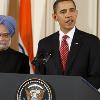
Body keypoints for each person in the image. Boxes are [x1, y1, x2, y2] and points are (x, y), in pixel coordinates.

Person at [32, 0, 100, 89]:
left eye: (71, 10)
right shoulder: (44, 43)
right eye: (63, 12)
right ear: (55, 17)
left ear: (76, 13)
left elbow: (97, 77)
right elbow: (39, 76)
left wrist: (77, 91)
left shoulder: (91, 41)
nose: (68, 15)